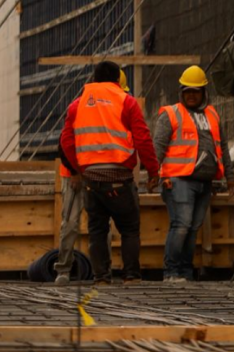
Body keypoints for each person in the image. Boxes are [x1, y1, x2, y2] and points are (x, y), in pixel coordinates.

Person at [59, 61, 159, 284]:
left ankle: (101, 277)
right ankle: (131, 276)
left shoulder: (77, 105)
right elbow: (143, 139)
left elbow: (66, 141)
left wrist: (79, 168)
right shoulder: (127, 102)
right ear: (117, 80)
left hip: (91, 180)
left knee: (97, 229)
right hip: (119, 178)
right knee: (130, 229)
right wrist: (153, 171)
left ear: (93, 79)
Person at [153, 66, 234, 283]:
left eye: (196, 91)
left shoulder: (212, 115)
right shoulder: (171, 114)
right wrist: (154, 174)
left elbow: (223, 147)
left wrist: (230, 175)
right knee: (181, 225)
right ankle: (171, 272)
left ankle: (185, 273)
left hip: (204, 181)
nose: (191, 95)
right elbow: (158, 147)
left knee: (192, 228)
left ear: (203, 92)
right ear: (181, 91)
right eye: (187, 91)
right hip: (177, 179)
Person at [53, 70, 130, 284]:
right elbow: (64, 144)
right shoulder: (81, 106)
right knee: (70, 224)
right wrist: (76, 172)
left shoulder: (109, 110)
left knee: (101, 223)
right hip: (76, 174)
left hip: (98, 175)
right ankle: (64, 269)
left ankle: (102, 272)